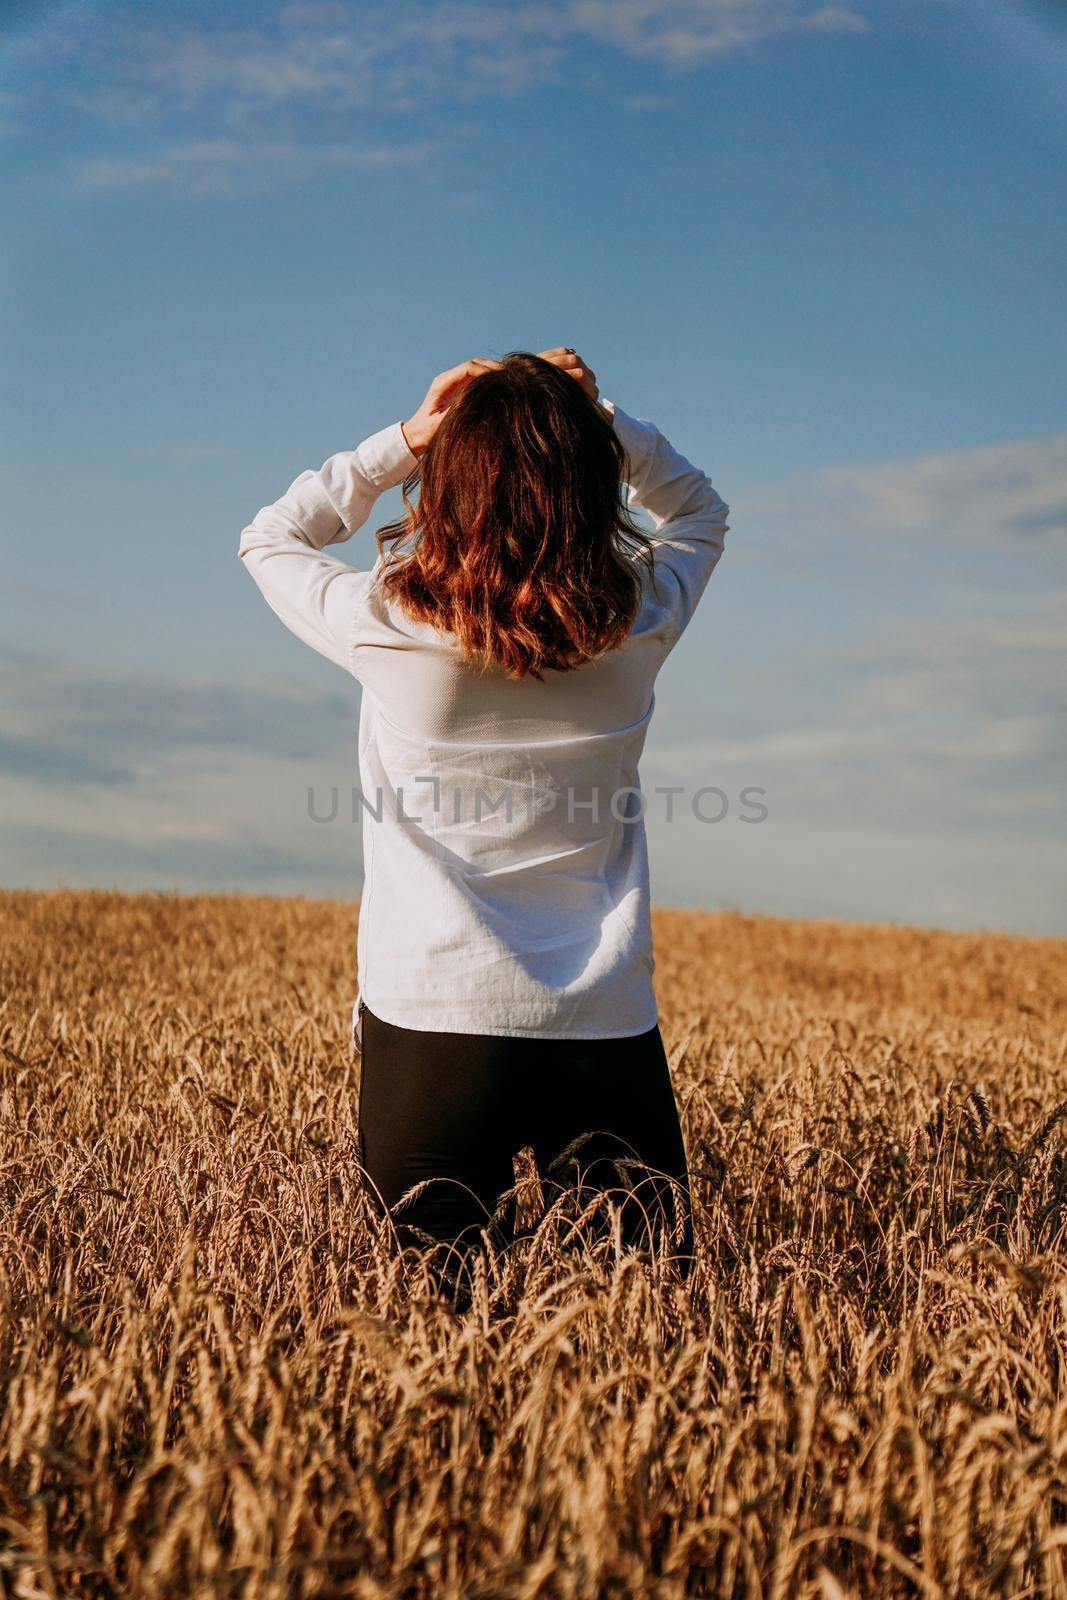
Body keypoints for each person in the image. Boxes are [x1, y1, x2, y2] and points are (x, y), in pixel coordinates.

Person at [238, 347, 730, 1293]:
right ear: (590, 482)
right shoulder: (638, 624)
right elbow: (699, 508)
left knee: (434, 1345)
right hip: (600, 1027)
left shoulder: (387, 623)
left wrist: (402, 441)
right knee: (637, 1349)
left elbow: (269, 538)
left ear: (448, 482)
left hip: (431, 1028)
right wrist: (598, 415)